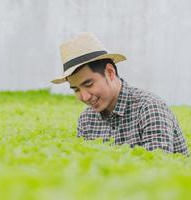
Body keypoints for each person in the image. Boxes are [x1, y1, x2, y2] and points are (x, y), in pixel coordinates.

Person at [51, 32, 189, 156]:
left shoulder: (149, 108)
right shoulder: (86, 120)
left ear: (110, 72)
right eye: (76, 89)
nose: (84, 96)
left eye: (89, 85)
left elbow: (159, 170)